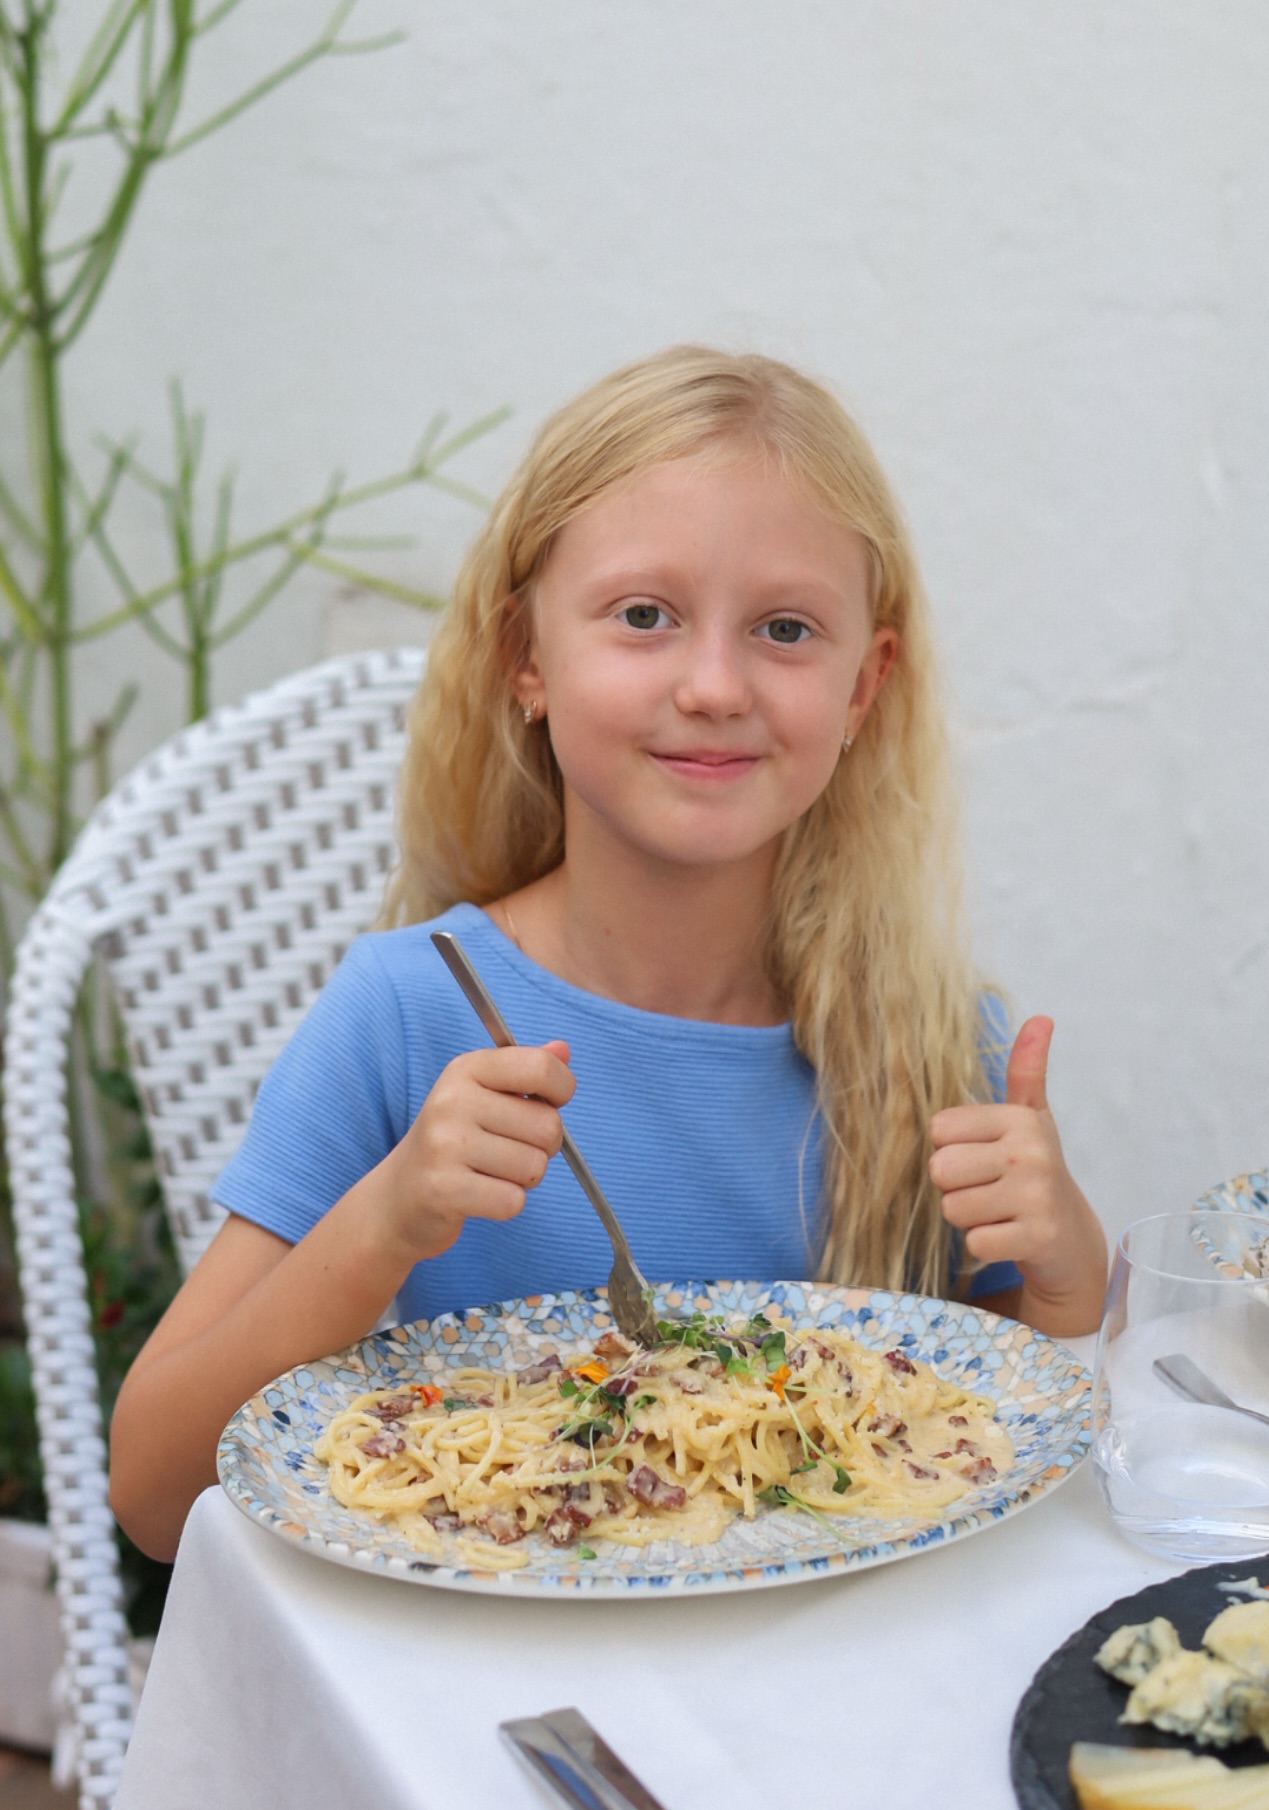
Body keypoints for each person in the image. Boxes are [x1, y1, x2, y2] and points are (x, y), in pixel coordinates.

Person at [109, 346, 1108, 1562]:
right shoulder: (409, 1014)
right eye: (644, 616)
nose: (715, 685)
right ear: (524, 655)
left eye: (785, 629)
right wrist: (386, 1221)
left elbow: (1011, 1479)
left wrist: (1067, 1277)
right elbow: (152, 1496)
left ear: (863, 687)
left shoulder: (938, 1048)